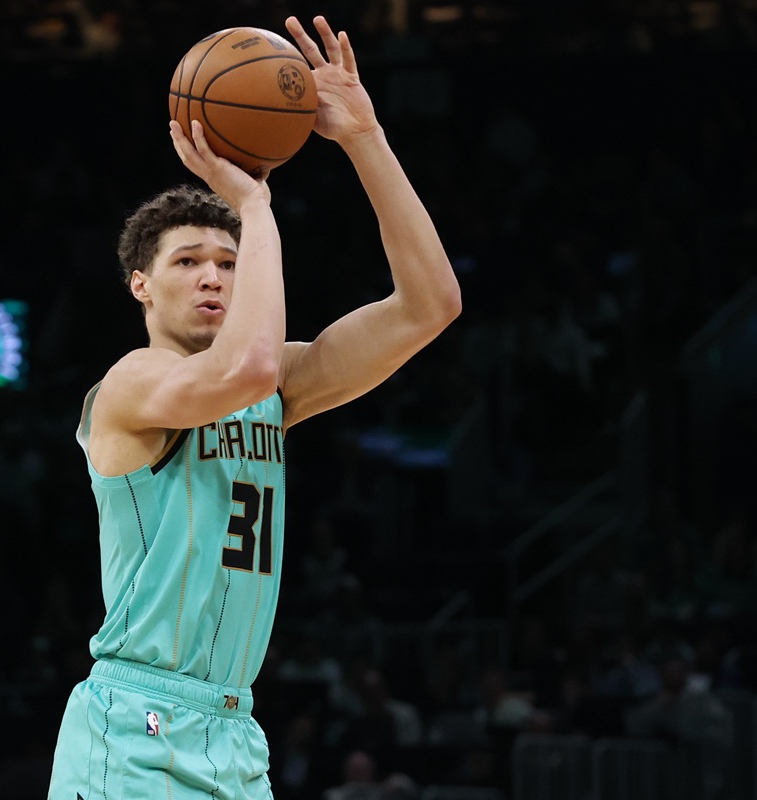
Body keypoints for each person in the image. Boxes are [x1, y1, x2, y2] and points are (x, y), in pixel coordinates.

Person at [47, 14, 461, 800]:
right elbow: (251, 365)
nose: (213, 276)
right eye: (188, 261)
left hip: (233, 729)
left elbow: (431, 305)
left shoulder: (268, 386)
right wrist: (254, 205)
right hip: (136, 726)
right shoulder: (131, 385)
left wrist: (364, 138)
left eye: (229, 262)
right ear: (140, 285)